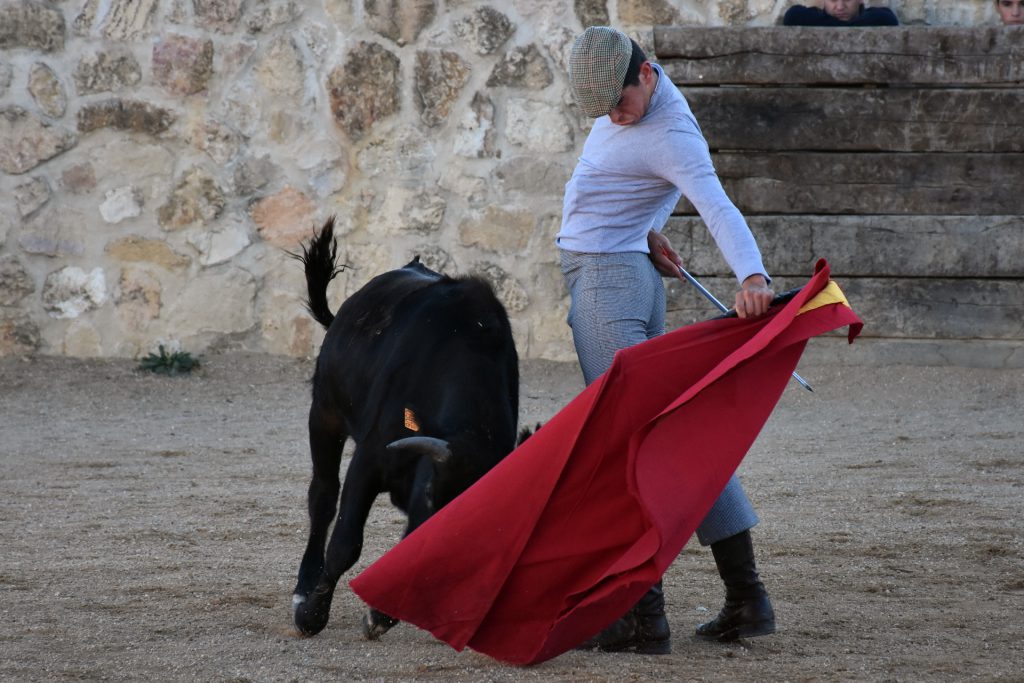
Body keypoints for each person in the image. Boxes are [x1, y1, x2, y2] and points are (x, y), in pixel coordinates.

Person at [559, 26, 777, 654]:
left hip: (606, 286)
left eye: (619, 103)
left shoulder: (672, 132)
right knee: (670, 438)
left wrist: (754, 277)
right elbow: (643, 179)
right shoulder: (645, 99)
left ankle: (639, 615)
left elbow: (715, 204)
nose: (613, 116)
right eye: (602, 108)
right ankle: (746, 596)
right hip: (630, 273)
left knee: (624, 445)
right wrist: (649, 224)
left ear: (647, 74)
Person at [783, 0, 900, 25]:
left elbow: (888, 20)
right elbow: (791, 16)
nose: (840, 7)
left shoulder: (878, 17)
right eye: (833, 0)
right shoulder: (803, 16)